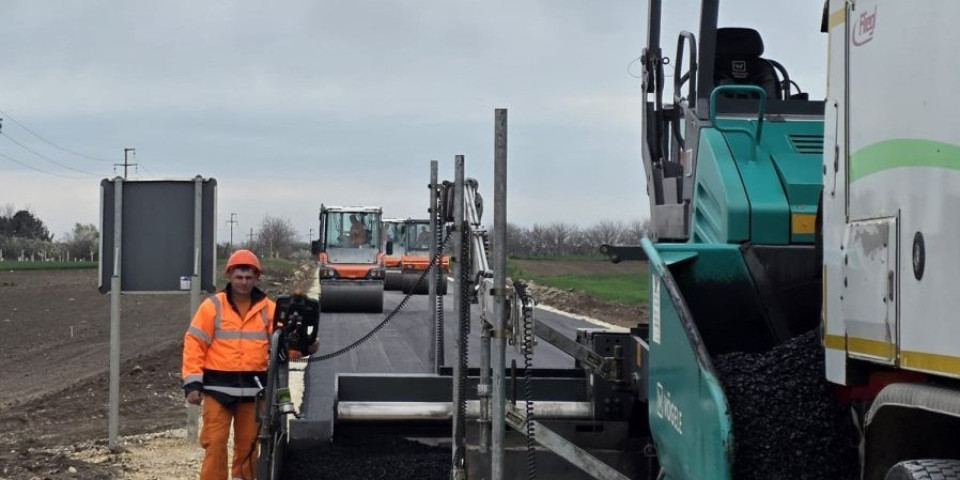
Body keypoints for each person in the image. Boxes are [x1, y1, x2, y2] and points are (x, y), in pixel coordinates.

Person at [182, 249, 318, 480]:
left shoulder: (269, 308)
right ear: (230, 276)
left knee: (248, 450)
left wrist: (305, 347)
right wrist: (193, 383)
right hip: (218, 390)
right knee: (214, 444)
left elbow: (282, 345)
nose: (244, 282)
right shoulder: (212, 307)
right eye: (239, 277)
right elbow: (194, 344)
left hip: (255, 394)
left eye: (248, 278)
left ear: (256, 278)